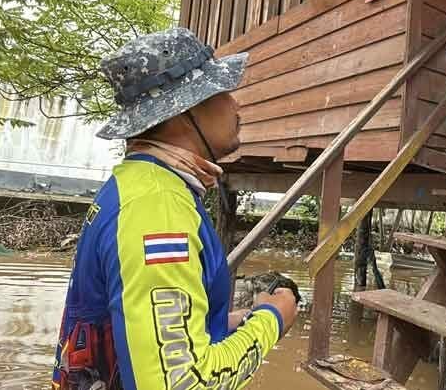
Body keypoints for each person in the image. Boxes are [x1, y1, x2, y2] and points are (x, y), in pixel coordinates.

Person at [52, 28, 297, 390]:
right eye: (223, 91)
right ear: (185, 109)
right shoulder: (157, 210)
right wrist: (273, 318)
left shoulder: (137, 185)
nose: (237, 104)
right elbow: (183, 383)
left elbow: (136, 335)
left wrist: (230, 322)